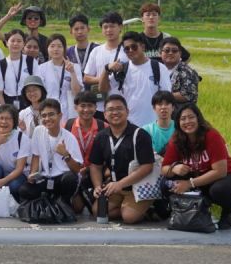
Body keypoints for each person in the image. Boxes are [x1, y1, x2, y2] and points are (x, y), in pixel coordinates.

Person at [162, 104, 231, 230]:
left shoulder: (211, 135)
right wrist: (174, 168)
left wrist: (189, 183)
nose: (187, 122)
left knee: (219, 190)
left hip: (228, 178)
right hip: (200, 180)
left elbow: (220, 171)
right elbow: (164, 169)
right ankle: (187, 212)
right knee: (166, 184)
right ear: (178, 122)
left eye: (191, 117)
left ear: (198, 118)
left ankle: (228, 213)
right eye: (183, 119)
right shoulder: (176, 139)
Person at [89, 95, 156, 224]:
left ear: (127, 111)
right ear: (105, 114)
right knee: (98, 211)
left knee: (129, 218)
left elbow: (147, 166)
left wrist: (120, 184)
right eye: (110, 110)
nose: (115, 112)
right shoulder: (101, 137)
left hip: (138, 186)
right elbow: (95, 166)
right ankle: (132, 208)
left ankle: (148, 207)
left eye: (119, 108)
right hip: (115, 187)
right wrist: (97, 186)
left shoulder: (140, 135)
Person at [100, 31, 171, 127]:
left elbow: (167, 97)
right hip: (128, 125)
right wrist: (106, 68)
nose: (130, 50)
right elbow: (103, 89)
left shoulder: (159, 68)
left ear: (142, 47)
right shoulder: (122, 69)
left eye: (134, 47)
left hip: (153, 125)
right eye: (126, 49)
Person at [23, 99, 82, 205]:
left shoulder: (69, 137)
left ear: (60, 115)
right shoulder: (38, 131)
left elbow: (77, 169)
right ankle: (51, 202)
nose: (47, 119)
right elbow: (36, 156)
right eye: (44, 116)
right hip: (46, 177)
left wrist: (66, 155)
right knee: (25, 190)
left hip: (62, 178)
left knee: (70, 179)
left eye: (51, 115)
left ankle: (64, 204)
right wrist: (32, 175)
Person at [65, 91, 107, 214]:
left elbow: (108, 153)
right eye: (82, 106)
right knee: (76, 208)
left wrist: (88, 169)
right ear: (75, 107)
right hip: (74, 172)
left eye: (90, 106)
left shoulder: (104, 127)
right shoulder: (67, 125)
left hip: (96, 172)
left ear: (95, 107)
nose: (86, 109)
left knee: (96, 210)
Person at [82, 12, 128, 117]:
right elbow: (86, 78)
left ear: (120, 27)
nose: (108, 30)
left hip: (123, 103)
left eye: (112, 26)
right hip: (100, 106)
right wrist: (104, 77)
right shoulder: (96, 51)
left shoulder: (127, 51)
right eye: (105, 27)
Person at [39, 33, 82, 124]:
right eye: (52, 46)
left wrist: (72, 72)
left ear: (64, 48)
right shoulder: (41, 68)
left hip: (69, 110)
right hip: (48, 110)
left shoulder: (75, 67)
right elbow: (40, 93)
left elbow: (77, 92)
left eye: (59, 46)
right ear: (47, 48)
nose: (56, 49)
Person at [0, 29, 38, 109]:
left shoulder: (31, 61)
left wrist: (34, 107)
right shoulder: (1, 64)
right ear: (7, 43)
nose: (15, 44)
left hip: (29, 103)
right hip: (8, 103)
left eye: (19, 41)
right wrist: (5, 110)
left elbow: (37, 87)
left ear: (23, 44)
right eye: (12, 41)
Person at [160, 37, 200, 106]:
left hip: (180, 114)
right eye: (167, 50)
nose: (170, 53)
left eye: (174, 51)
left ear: (180, 53)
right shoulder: (157, 69)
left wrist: (163, 95)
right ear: (160, 53)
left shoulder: (187, 71)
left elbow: (189, 94)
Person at [66, 13, 99, 91]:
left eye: (82, 28)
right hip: (76, 94)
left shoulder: (97, 49)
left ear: (88, 29)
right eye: (76, 29)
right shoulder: (68, 52)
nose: (80, 32)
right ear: (71, 31)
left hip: (95, 92)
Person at [142, 91, 176, 155]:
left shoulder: (179, 127)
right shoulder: (147, 130)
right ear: (154, 108)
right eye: (160, 104)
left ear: (173, 107)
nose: (163, 107)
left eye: (167, 104)